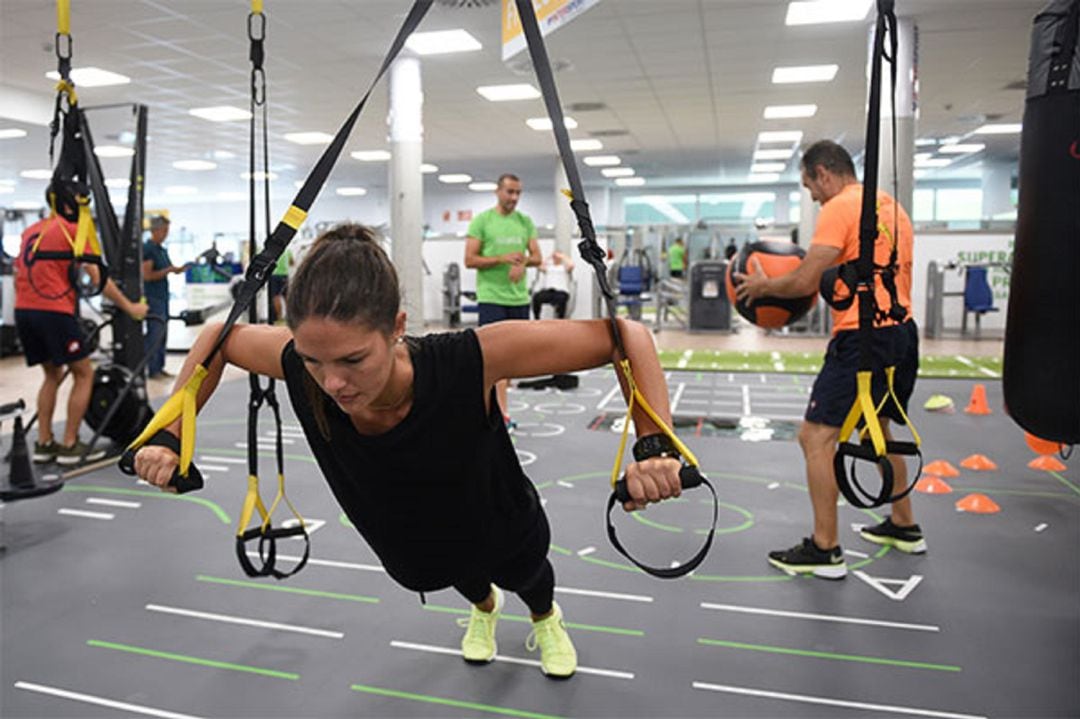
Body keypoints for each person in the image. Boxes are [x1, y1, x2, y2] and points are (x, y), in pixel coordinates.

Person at [131, 224, 683, 678]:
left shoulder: (471, 358)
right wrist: (170, 429)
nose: (332, 383)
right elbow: (218, 338)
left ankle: (545, 619)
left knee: (526, 574)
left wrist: (653, 442)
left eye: (352, 360)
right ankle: (483, 610)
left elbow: (625, 336)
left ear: (396, 328)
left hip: (497, 514)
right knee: (456, 574)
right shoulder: (301, 366)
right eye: (313, 360)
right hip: (413, 539)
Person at [734, 140, 921, 580]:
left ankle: (825, 549)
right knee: (876, 428)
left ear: (823, 172)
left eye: (809, 185)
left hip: (862, 337)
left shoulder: (839, 207)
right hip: (900, 332)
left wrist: (762, 289)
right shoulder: (890, 205)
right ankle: (905, 524)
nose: (812, 196)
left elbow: (804, 281)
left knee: (815, 438)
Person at [14, 195, 148, 465]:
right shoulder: (73, 230)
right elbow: (99, 278)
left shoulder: (32, 230)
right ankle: (70, 444)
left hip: (24, 310)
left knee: (52, 374)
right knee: (84, 373)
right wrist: (130, 307)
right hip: (53, 310)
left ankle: (44, 442)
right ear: (68, 204)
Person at [464, 174, 541, 428]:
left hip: (518, 298)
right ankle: (500, 414)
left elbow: (538, 257)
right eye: (509, 192)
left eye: (518, 193)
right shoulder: (482, 221)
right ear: (498, 191)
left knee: (516, 360)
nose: (514, 198)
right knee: (494, 359)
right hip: (491, 297)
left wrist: (523, 262)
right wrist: (502, 259)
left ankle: (500, 410)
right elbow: (470, 260)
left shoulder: (524, 221)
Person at [142, 215, 187, 379]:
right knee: (155, 333)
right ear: (155, 230)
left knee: (162, 334)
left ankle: (160, 367)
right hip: (152, 298)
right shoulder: (148, 249)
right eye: (164, 230)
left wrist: (178, 269)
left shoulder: (161, 249)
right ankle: (152, 369)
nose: (166, 234)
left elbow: (166, 269)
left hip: (162, 296)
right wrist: (168, 271)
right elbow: (147, 276)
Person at [531, 250, 574, 319]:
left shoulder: (564, 267)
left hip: (561, 291)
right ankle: (537, 318)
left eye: (557, 257)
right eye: (555, 257)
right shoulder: (548, 267)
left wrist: (563, 256)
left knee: (562, 299)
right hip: (549, 291)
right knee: (536, 297)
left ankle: (560, 319)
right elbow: (539, 265)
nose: (556, 258)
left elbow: (571, 265)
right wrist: (550, 257)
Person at [270, 248, 293, 324]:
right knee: (286, 296)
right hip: (285, 275)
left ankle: (279, 317)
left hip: (274, 275)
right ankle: (290, 316)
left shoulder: (273, 251)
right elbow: (292, 262)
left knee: (276, 296)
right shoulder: (287, 251)